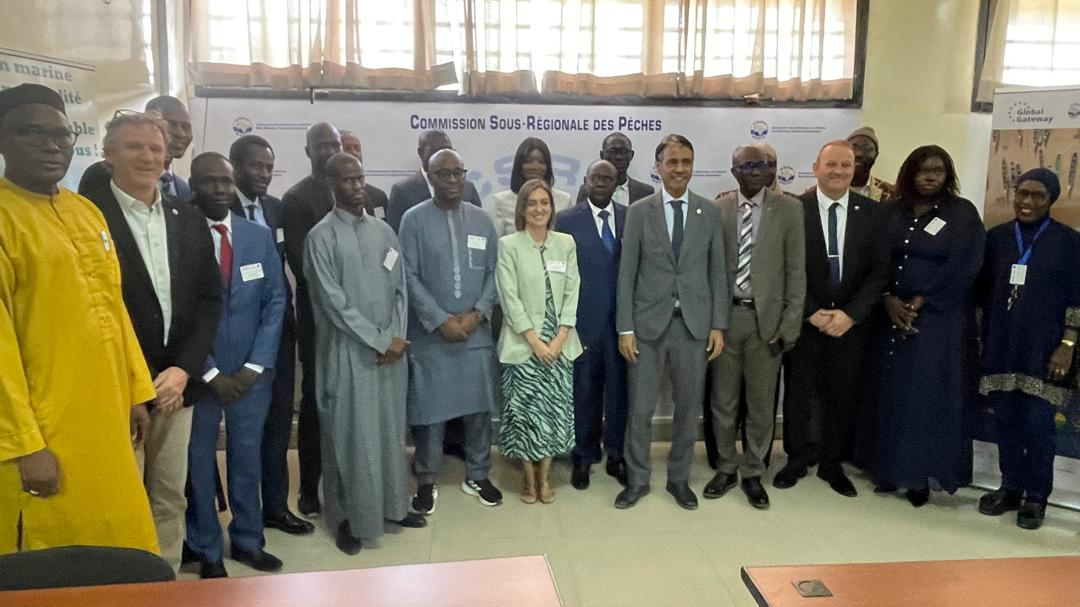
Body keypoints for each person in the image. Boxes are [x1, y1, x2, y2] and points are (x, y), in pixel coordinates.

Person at [0, 83, 158, 554]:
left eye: (62, 136)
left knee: (122, 547)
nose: (52, 146)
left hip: (107, 423)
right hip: (44, 433)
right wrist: (24, 444)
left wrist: (135, 391)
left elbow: (113, 307)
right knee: (55, 564)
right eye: (32, 133)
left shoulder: (86, 211)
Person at [81, 111, 221, 567]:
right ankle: (126, 589)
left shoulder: (187, 217)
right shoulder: (87, 219)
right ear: (108, 156)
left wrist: (183, 370)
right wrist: (133, 384)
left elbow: (207, 301)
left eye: (155, 149)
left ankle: (165, 583)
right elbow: (94, 310)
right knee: (121, 501)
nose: (147, 156)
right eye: (133, 147)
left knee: (168, 495)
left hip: (176, 388)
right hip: (120, 389)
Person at [305, 153, 427, 554]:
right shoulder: (320, 237)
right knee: (349, 440)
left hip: (390, 355)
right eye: (348, 181)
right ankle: (347, 520)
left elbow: (400, 289)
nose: (357, 187)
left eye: (361, 178)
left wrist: (394, 337)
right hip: (349, 354)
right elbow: (332, 302)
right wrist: (377, 340)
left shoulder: (384, 232)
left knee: (390, 434)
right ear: (331, 186)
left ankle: (394, 507)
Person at [857, 145, 985, 507]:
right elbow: (874, 259)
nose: (930, 177)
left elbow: (966, 265)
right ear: (909, 173)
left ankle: (917, 477)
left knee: (924, 398)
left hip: (938, 321)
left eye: (938, 171)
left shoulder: (961, 214)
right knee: (889, 393)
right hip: (888, 315)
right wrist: (887, 298)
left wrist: (921, 300)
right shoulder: (891, 211)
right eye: (923, 170)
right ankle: (886, 470)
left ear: (948, 175)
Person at [185, 152, 286, 578]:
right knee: (199, 462)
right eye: (210, 182)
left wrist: (255, 365)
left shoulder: (256, 236)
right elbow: (179, 310)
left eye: (226, 181)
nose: (221, 189)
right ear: (193, 186)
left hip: (250, 376)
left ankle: (247, 540)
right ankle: (206, 548)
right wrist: (208, 371)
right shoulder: (179, 234)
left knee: (247, 459)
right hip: (198, 375)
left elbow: (276, 300)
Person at [615, 134, 728, 510]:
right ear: (658, 166)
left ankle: (679, 478)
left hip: (693, 327)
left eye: (686, 162)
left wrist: (718, 325)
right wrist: (625, 328)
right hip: (646, 327)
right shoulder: (639, 211)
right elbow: (627, 273)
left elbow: (718, 273)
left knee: (687, 407)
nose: (680, 169)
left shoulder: (708, 212)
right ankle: (637, 479)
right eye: (673, 162)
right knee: (641, 409)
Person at [775, 140, 890, 497]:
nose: (839, 171)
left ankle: (831, 463)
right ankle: (796, 458)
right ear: (816, 167)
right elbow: (784, 267)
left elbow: (879, 271)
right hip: (806, 320)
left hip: (850, 325)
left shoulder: (872, 213)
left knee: (843, 393)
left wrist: (851, 315)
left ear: (854, 169)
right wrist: (810, 311)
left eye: (846, 165)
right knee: (799, 392)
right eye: (831, 165)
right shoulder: (795, 209)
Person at [398, 148, 504, 512]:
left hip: (475, 332)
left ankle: (478, 472)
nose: (454, 180)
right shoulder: (413, 221)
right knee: (430, 411)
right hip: (432, 336)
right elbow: (407, 276)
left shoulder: (481, 220)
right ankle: (426, 478)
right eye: (445, 174)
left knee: (478, 408)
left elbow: (494, 272)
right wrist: (440, 319)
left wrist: (477, 314)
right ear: (429, 176)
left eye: (459, 172)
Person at [977, 168, 1080, 529]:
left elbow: (1077, 299)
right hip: (1003, 344)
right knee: (1006, 419)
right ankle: (1010, 487)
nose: (1027, 202)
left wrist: (1068, 345)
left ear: (1050, 199)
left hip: (1045, 348)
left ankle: (1037, 496)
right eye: (1022, 193)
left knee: (1038, 424)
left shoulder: (1069, 243)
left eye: (1037, 195)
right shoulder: (998, 239)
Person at [705, 145, 805, 510]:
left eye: (763, 165)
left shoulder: (790, 211)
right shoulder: (718, 209)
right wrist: (712, 323)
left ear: (772, 170)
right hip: (726, 320)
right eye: (747, 166)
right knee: (723, 402)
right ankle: (726, 467)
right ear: (734, 172)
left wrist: (789, 327)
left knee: (761, 405)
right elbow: (710, 267)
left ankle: (753, 472)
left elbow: (796, 272)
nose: (756, 171)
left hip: (768, 324)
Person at [228, 135, 313, 536]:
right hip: (232, 341)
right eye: (255, 166)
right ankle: (242, 517)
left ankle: (276, 508)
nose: (262, 174)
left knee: (279, 425)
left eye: (268, 167)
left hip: (279, 333)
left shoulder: (276, 209)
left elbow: (288, 269)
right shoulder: (215, 207)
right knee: (244, 435)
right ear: (235, 166)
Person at [496, 178, 582, 504]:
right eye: (531, 203)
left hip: (559, 346)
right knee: (525, 414)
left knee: (552, 413)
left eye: (544, 203)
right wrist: (535, 341)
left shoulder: (566, 243)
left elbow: (573, 291)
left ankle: (546, 477)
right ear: (522, 209)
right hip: (523, 346)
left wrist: (560, 337)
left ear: (552, 207)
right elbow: (510, 298)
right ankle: (528, 480)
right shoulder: (508, 246)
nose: (538, 209)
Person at [556, 160, 629, 490]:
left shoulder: (631, 216)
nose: (601, 182)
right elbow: (560, 276)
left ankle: (616, 455)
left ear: (617, 183)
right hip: (582, 325)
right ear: (585, 181)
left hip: (623, 326)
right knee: (583, 395)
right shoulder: (567, 220)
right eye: (595, 177)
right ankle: (583, 457)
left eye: (608, 178)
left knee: (618, 394)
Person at [282, 121, 342, 516]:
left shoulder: (353, 191)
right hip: (318, 318)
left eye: (334, 143)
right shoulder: (296, 198)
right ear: (308, 151)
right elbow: (306, 267)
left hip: (356, 322)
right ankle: (308, 488)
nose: (329, 150)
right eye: (322, 145)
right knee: (316, 401)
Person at [79, 96, 195, 203]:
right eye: (171, 124)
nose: (181, 133)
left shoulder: (183, 188)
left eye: (186, 127)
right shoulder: (101, 174)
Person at [386, 129, 482, 233]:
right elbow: (395, 236)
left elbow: (478, 227)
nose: (443, 155)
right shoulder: (402, 191)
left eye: (448, 149)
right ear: (421, 153)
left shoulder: (468, 188)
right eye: (437, 150)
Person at [489, 137, 573, 237]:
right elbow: (494, 242)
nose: (535, 167)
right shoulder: (501, 201)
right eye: (528, 161)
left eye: (541, 162)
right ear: (519, 165)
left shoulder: (564, 200)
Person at [574, 132, 654, 205]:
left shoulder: (645, 192)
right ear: (602, 155)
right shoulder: (587, 190)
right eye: (612, 152)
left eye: (624, 152)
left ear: (632, 155)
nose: (618, 157)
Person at [339, 129, 389, 219]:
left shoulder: (378, 196)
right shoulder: (327, 197)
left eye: (357, 148)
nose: (354, 153)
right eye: (346, 148)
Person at [847, 127, 894, 202]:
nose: (859, 154)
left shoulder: (889, 193)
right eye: (854, 147)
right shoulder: (827, 188)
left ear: (876, 156)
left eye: (867, 149)